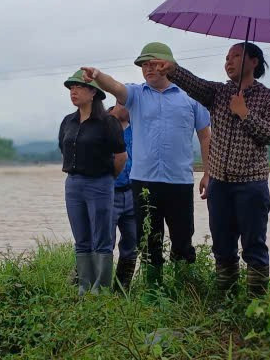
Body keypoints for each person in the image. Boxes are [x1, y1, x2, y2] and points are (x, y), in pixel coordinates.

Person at [80, 43, 211, 286]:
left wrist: (208, 173)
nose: (147, 69)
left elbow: (205, 135)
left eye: (152, 64)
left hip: (179, 181)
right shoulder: (136, 95)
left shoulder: (191, 99)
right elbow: (116, 86)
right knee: (149, 240)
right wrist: (97, 76)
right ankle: (153, 291)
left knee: (182, 240)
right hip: (144, 182)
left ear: (167, 65)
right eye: (143, 65)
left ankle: (184, 289)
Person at [164, 42, 270, 297]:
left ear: (254, 61)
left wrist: (244, 113)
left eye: (236, 56)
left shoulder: (268, 96)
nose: (228, 62)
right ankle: (225, 301)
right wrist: (172, 69)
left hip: (252, 184)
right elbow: (194, 83)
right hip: (219, 183)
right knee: (222, 245)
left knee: (254, 244)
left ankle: (256, 304)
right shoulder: (218, 93)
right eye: (227, 58)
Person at [58, 71, 126, 293]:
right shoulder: (68, 121)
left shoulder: (107, 122)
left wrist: (107, 179)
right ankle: (84, 285)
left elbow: (120, 157)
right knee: (81, 236)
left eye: (78, 87)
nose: (73, 91)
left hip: (100, 183)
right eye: (71, 88)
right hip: (74, 184)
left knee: (102, 237)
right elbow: (64, 149)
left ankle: (101, 287)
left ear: (93, 91)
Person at [106, 104, 139, 291]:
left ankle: (121, 289)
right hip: (108, 192)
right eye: (123, 102)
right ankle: (95, 288)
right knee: (103, 242)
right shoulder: (103, 125)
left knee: (132, 242)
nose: (127, 107)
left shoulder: (138, 128)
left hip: (133, 192)